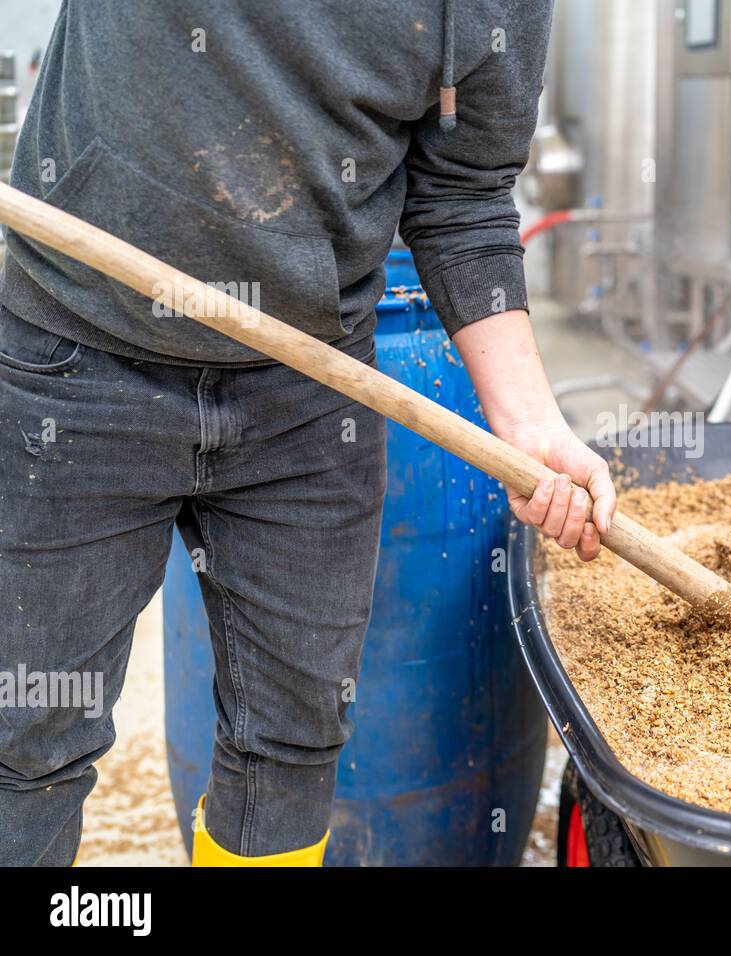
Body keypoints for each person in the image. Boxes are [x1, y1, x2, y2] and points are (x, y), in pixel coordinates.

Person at [0, 0, 613, 866]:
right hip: (77, 356)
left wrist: (531, 423)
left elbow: (465, 196)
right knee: (24, 745)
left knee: (287, 749)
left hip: (311, 391)